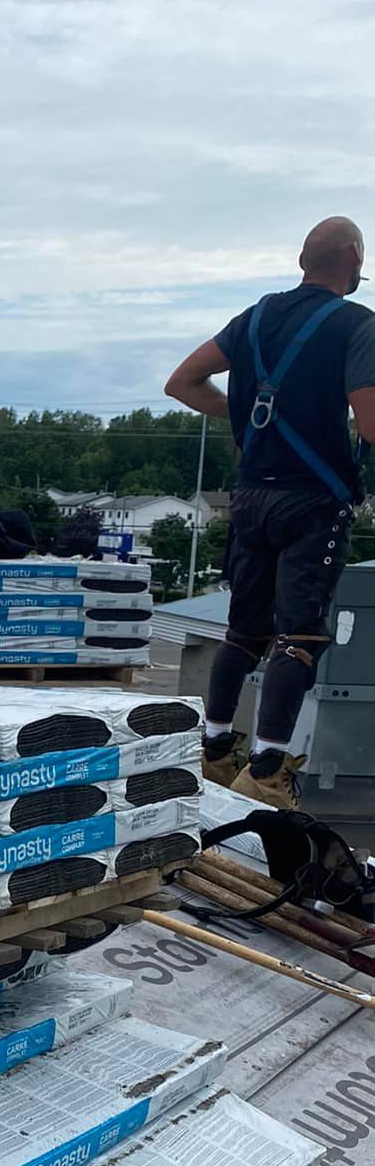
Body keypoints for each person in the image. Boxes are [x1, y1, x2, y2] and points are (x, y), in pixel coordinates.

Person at [165, 216, 375, 808]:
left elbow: (182, 382)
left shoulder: (255, 318)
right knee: (300, 636)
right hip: (313, 500)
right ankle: (267, 769)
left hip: (251, 496)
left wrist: (248, 419)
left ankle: (212, 750)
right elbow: (371, 423)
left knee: (244, 630)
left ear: (303, 259)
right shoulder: (358, 326)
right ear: (354, 258)